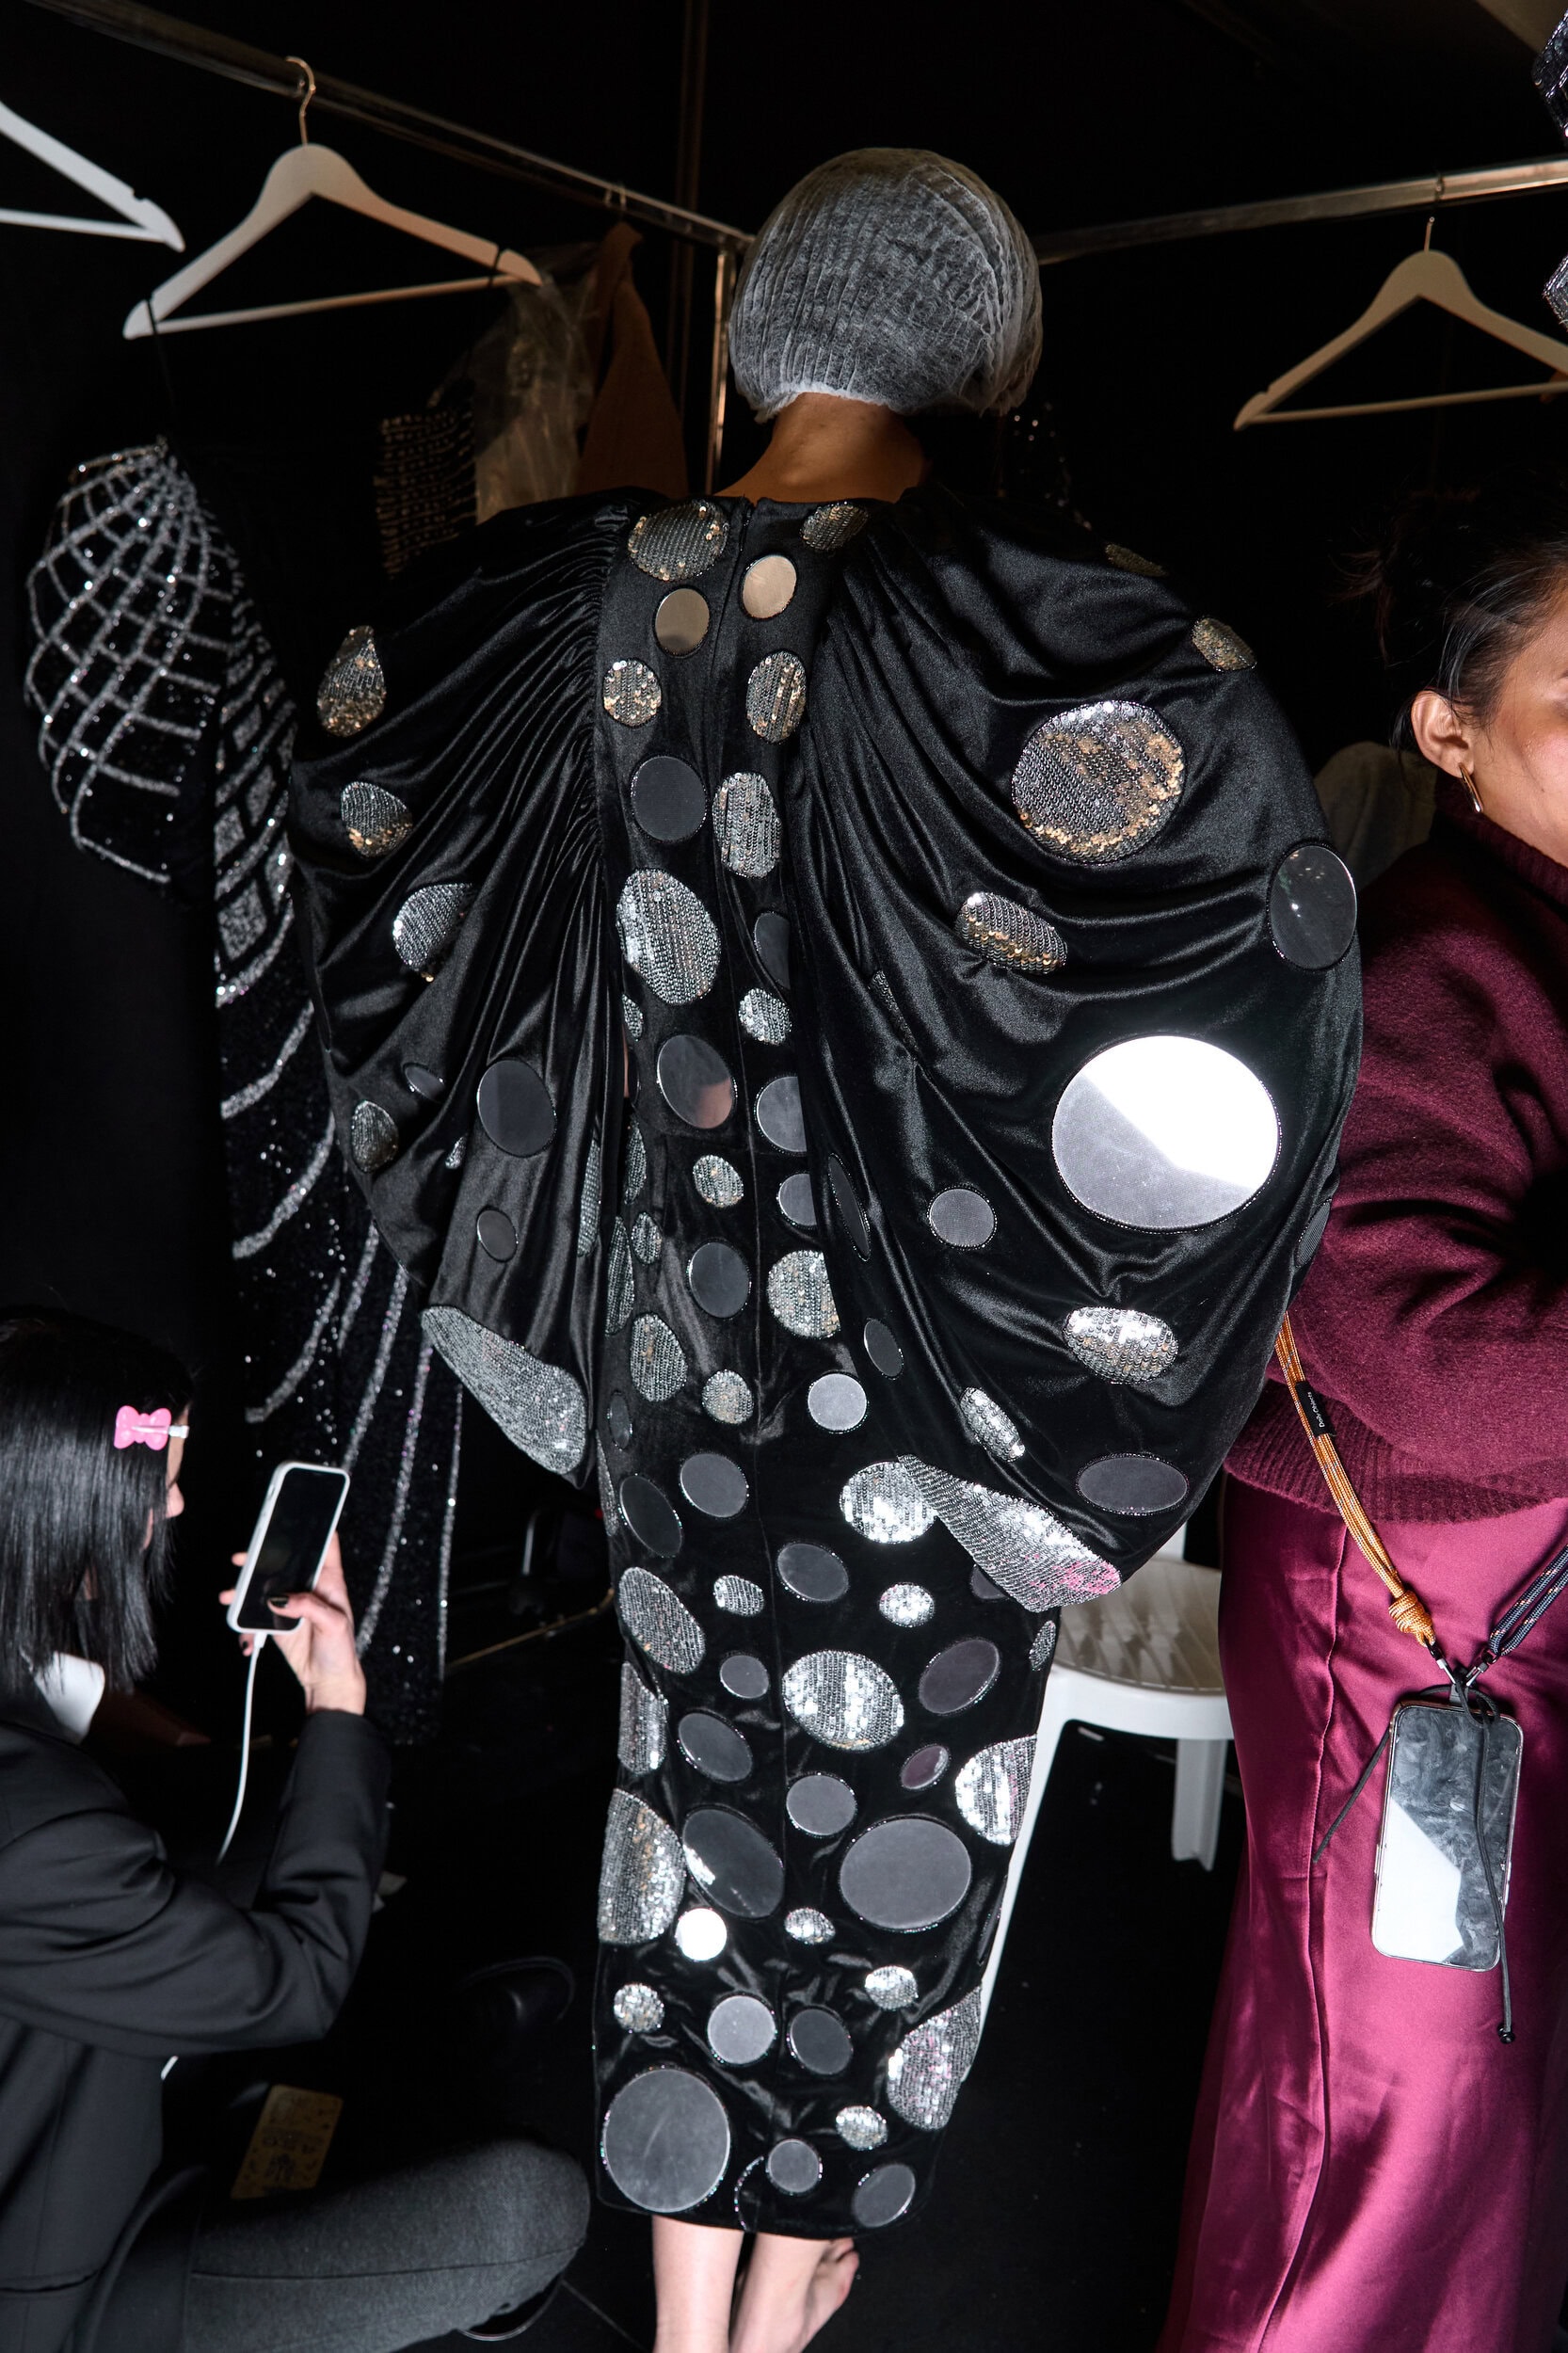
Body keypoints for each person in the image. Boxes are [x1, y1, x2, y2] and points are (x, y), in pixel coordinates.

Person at [289, 149, 1358, 2353]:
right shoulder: (1029, 634)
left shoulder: (538, 603)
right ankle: (781, 2314)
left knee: (682, 1817)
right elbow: (1232, 941)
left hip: (673, 1367)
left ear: (769, 328)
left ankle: (695, 2321)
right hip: (952, 1401)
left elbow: (381, 887)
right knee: (903, 1849)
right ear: (991, 353)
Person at [1160, 470, 1568, 2353]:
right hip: (1403, 1628)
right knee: (1376, 2114)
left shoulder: (1531, 915)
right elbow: (1416, 1343)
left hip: (1497, 1608)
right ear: (1444, 729)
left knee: (1481, 2103)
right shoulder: (1431, 954)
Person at [0, 1307, 587, 2353]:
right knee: (527, 2210)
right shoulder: (39, 1839)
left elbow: (69, 1691)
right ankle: (401, 2077)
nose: (175, 1500)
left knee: (277, 1839)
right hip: (67, 2291)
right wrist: (337, 1702)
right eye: (160, 1476)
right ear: (65, 1499)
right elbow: (296, 1981)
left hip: (77, 2084)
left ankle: (406, 2053)